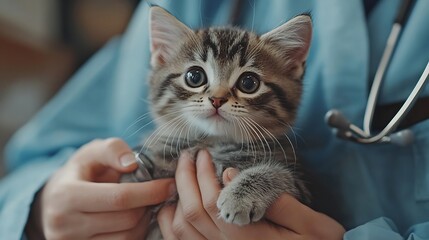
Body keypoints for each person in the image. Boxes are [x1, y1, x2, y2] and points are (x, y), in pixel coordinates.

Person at [1, 0, 428, 239]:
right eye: (195, 77)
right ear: (161, 57)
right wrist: (44, 208)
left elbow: (284, 180)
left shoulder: (272, 150)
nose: (218, 97)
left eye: (247, 83)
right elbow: (28, 167)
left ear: (295, 66)